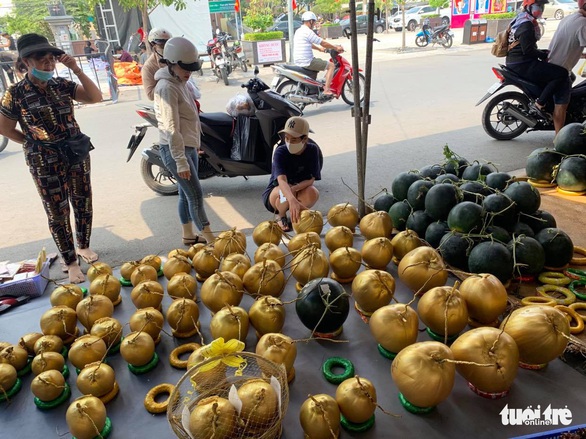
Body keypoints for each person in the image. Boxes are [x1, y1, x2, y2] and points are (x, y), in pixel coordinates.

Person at [0, 33, 103, 283]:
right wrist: (31, 142)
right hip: (44, 162)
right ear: (26, 62)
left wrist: (76, 69)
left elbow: (95, 97)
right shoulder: (16, 93)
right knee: (57, 211)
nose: (48, 64)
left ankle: (83, 246)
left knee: (82, 202)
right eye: (41, 59)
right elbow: (4, 128)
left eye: (51, 59)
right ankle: (70, 261)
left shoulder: (61, 85)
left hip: (76, 154)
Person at [153, 37, 214, 245]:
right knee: (195, 196)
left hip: (186, 148)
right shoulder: (166, 87)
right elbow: (171, 127)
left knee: (184, 194)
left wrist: (193, 146)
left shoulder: (180, 82)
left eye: (191, 68)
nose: (189, 72)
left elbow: (189, 118)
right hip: (175, 151)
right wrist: (180, 160)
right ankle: (212, 240)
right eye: (184, 67)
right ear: (171, 63)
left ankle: (188, 235)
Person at [506, 0, 569, 133]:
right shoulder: (526, 25)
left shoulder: (520, 19)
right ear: (528, 7)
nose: (540, 9)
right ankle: (539, 104)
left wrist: (541, 52)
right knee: (561, 74)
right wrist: (541, 54)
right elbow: (528, 50)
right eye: (537, 6)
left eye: (542, 6)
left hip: (515, 62)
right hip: (523, 64)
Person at [262, 116, 323, 232]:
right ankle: (281, 215)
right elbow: (281, 180)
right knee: (284, 192)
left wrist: (295, 188)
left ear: (304, 139)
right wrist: (291, 197)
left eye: (294, 140)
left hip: (298, 189)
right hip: (275, 193)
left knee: (312, 192)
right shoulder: (280, 152)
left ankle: (297, 214)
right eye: (287, 138)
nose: (289, 142)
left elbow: (311, 179)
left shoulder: (312, 150)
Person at [547, 0, 586, 131]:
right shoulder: (583, 24)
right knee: (561, 104)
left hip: (551, 63)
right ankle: (559, 140)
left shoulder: (568, 18)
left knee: (572, 79)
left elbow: (571, 44)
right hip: (559, 70)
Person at [293, 11, 344, 96]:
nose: (314, 24)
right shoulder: (308, 32)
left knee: (321, 63)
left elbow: (309, 43)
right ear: (311, 21)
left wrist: (319, 49)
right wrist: (336, 47)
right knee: (331, 66)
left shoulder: (299, 31)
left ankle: (317, 87)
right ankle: (327, 90)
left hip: (298, 60)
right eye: (314, 22)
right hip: (307, 61)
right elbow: (323, 43)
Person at [142, 28, 172, 100]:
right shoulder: (149, 67)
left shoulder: (178, 57)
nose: (165, 47)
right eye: (162, 45)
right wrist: (168, 83)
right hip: (167, 102)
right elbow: (150, 95)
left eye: (168, 44)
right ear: (153, 44)